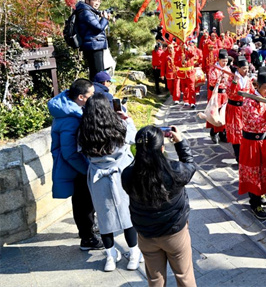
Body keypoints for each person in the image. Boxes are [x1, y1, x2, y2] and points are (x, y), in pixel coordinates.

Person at [122, 126, 197, 287]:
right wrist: (181, 143)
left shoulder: (128, 174)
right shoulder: (174, 171)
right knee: (184, 275)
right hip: (174, 234)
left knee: (155, 279)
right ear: (162, 148)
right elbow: (190, 166)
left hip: (146, 235)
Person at [78, 93, 141, 272]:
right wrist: (127, 118)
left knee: (104, 218)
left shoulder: (84, 130)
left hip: (98, 177)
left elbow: (80, 150)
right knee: (127, 215)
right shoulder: (118, 126)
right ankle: (134, 254)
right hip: (121, 174)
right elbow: (134, 138)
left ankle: (110, 257)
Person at [47, 79, 102, 251]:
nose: (93, 98)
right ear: (80, 97)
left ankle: (87, 231)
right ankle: (87, 239)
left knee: (84, 201)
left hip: (78, 166)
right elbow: (69, 152)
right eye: (90, 95)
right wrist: (87, 170)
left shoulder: (69, 108)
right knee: (83, 202)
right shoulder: (71, 118)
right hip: (76, 168)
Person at [238, 72, 266, 220]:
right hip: (253, 143)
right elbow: (256, 123)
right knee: (254, 173)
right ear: (257, 86)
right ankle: (255, 203)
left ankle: (261, 192)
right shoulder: (249, 102)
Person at [76, 0, 112, 80]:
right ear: (87, 0)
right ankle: (96, 92)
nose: (97, 3)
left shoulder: (89, 11)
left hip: (94, 44)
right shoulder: (85, 12)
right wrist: (104, 18)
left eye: (99, 1)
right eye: (95, 0)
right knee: (98, 73)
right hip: (93, 45)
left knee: (97, 72)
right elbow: (98, 27)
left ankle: (94, 91)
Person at [225, 56, 255, 164]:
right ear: (238, 68)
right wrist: (234, 83)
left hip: (244, 108)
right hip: (234, 108)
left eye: (247, 68)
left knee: (244, 131)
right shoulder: (231, 78)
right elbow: (229, 93)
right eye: (243, 68)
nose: (246, 71)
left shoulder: (248, 80)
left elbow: (251, 92)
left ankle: (243, 153)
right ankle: (238, 155)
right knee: (236, 132)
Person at [207, 49, 230, 143]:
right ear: (219, 60)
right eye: (223, 61)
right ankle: (214, 132)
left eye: (226, 61)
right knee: (214, 113)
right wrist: (220, 78)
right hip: (215, 94)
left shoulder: (227, 68)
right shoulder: (213, 69)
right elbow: (211, 81)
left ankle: (222, 133)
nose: (225, 63)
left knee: (223, 113)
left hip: (225, 94)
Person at [177, 41, 199, 108]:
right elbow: (175, 62)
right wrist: (181, 62)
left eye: (183, 44)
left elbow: (193, 54)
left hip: (190, 73)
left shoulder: (189, 51)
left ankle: (192, 102)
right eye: (181, 44)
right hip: (182, 73)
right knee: (185, 88)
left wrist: (187, 49)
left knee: (192, 88)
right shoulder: (177, 53)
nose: (182, 46)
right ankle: (186, 100)